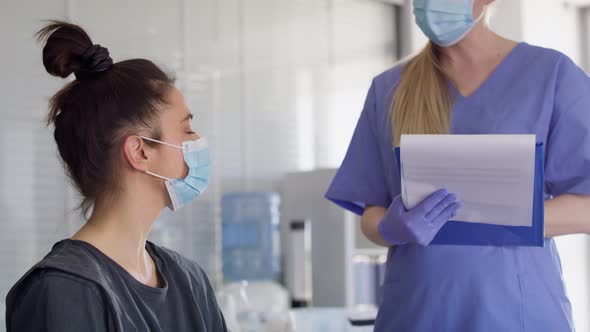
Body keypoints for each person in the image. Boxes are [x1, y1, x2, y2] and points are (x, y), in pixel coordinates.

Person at [326, 0, 590, 331]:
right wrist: (391, 228)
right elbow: (370, 214)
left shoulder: (551, 75)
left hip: (517, 313)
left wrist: (498, 214)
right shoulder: (389, 89)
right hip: (416, 313)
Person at [5, 21, 227, 331]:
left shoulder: (190, 282)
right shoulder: (65, 291)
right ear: (139, 152)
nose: (198, 141)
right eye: (187, 129)